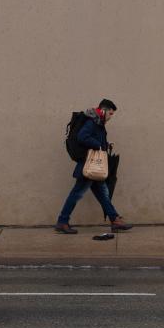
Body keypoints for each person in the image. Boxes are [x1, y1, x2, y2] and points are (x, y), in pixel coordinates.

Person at [55, 98, 133, 234]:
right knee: (77, 193)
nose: (111, 117)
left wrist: (105, 145)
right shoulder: (92, 122)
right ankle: (62, 221)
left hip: (94, 167)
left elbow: (94, 139)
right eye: (111, 113)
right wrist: (98, 145)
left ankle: (115, 220)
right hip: (89, 166)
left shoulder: (98, 122)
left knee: (103, 194)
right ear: (103, 111)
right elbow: (82, 137)